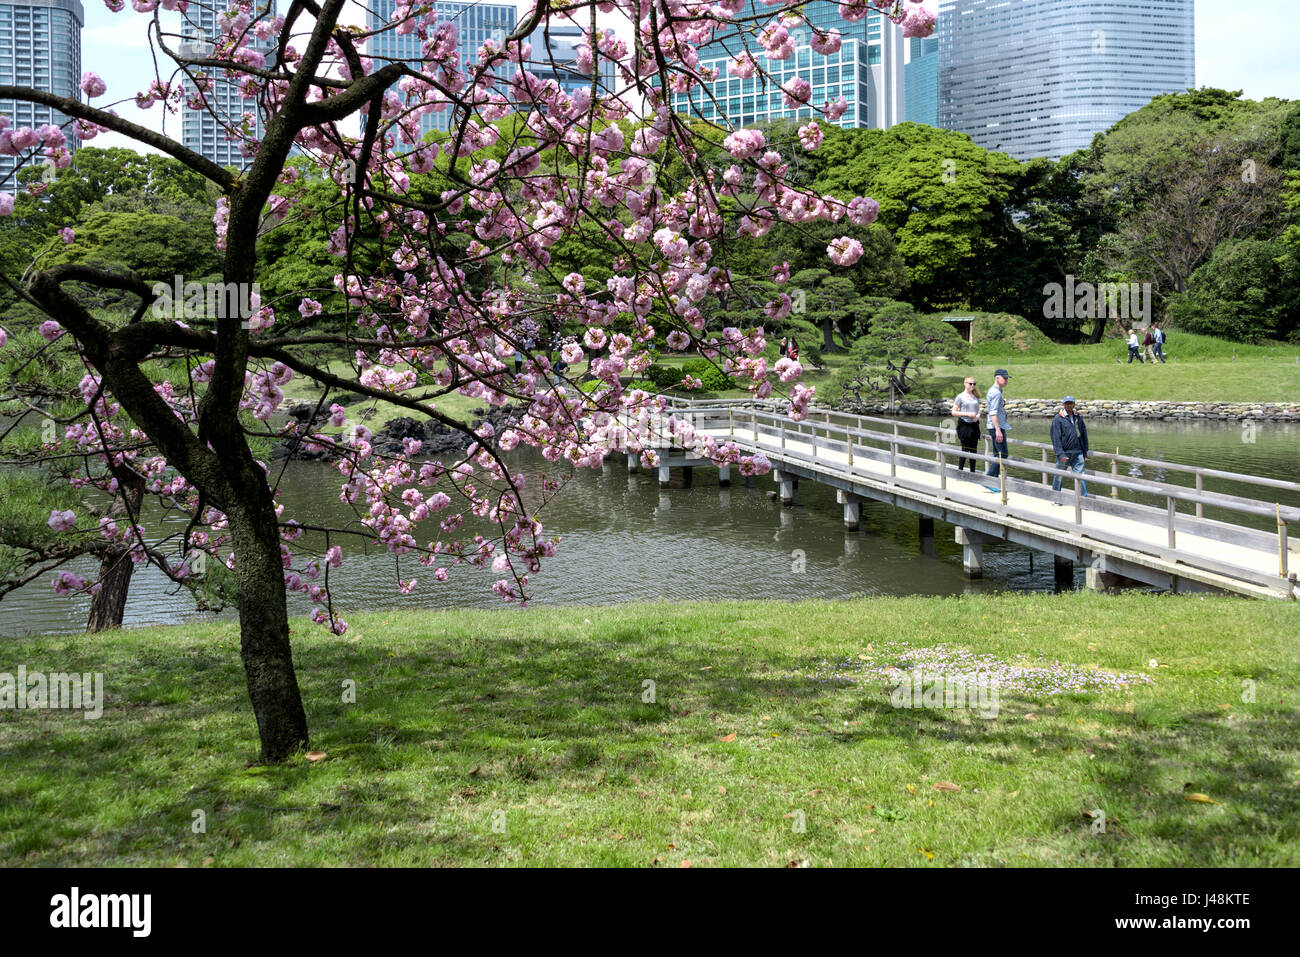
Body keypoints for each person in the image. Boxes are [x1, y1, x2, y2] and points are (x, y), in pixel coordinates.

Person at [1049, 396, 1090, 502]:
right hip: (1065, 454)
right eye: (1066, 403)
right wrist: (1060, 454)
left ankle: (1083, 500)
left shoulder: (1078, 417)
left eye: (1070, 403)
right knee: (1059, 476)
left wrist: (1085, 452)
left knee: (1081, 477)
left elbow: (1084, 435)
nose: (1068, 405)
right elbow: (1055, 438)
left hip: (1078, 453)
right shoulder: (1058, 419)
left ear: (1074, 404)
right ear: (1063, 404)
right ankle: (1056, 499)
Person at [983, 369, 1011, 492]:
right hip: (996, 427)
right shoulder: (996, 393)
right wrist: (998, 430)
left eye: (1007, 378)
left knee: (997, 454)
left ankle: (993, 481)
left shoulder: (997, 391)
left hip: (996, 426)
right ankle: (988, 479)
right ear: (997, 378)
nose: (1006, 380)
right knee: (1003, 454)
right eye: (1004, 378)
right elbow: (992, 412)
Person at [950, 376, 981, 473]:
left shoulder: (975, 396)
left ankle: (973, 472)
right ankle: (960, 470)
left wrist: (977, 416)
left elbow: (979, 409)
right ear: (965, 383)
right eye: (970, 383)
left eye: (974, 384)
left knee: (974, 450)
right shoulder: (960, 397)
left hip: (974, 425)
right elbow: (953, 412)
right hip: (964, 425)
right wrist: (967, 414)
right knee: (965, 449)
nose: (972, 385)